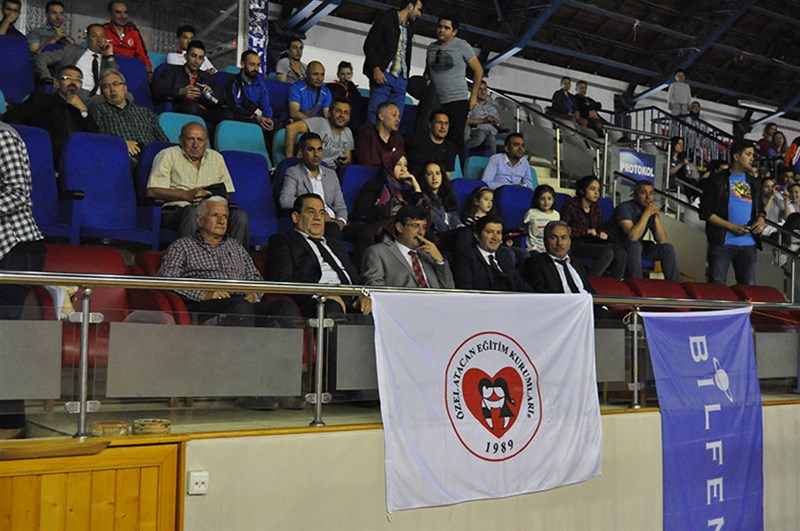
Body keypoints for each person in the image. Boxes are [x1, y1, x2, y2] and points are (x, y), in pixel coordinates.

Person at [157, 196, 297, 326]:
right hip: (204, 305)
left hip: (241, 302)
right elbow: (167, 278)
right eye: (215, 215)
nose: (221, 221)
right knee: (240, 307)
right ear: (199, 220)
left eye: (225, 216)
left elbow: (255, 278)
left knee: (285, 307)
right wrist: (203, 294)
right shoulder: (182, 246)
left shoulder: (236, 246)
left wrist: (254, 295)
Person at [0, 121, 46, 437]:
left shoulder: (3, 135)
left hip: (16, 247)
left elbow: (18, 192)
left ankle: (12, 424)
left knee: (5, 339)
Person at [146, 122, 249, 246]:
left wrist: (212, 195)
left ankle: (236, 257)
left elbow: (228, 192)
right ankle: (190, 256)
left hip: (211, 211)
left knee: (240, 216)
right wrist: (185, 195)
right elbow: (152, 191)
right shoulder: (168, 155)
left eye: (200, 140)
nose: (195, 145)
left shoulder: (216, 158)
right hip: (176, 211)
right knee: (192, 211)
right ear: (181, 140)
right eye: (191, 139)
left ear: (207, 142)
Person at [267, 193, 369, 316]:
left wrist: (363, 296)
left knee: (374, 308)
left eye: (321, 213)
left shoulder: (335, 244)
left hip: (350, 301)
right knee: (331, 306)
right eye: (311, 212)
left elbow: (354, 277)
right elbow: (283, 280)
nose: (317, 217)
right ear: (295, 217)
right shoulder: (283, 241)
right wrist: (323, 294)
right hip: (317, 300)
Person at [699, 139, 765, 285]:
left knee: (748, 290)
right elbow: (705, 212)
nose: (752, 158)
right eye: (748, 154)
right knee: (717, 288)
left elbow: (760, 209)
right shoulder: (716, 179)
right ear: (736, 157)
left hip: (749, 243)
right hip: (722, 242)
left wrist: (761, 219)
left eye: (753, 155)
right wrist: (731, 226)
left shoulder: (754, 182)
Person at [3, 65, 98, 165]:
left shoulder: (82, 111)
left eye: (78, 80)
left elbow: (95, 138)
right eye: (68, 78)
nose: (73, 82)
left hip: (77, 162)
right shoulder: (40, 100)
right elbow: (10, 119)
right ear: (56, 83)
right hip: (42, 158)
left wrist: (83, 110)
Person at [424, 15, 483, 158]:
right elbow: (428, 73)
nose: (441, 30)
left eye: (446, 28)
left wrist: (473, 96)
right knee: (434, 137)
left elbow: (478, 70)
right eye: (440, 27)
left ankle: (457, 169)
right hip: (437, 101)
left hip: (457, 100)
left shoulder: (461, 45)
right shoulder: (431, 48)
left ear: (454, 31)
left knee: (455, 138)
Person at [361, 205, 454, 288]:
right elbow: (375, 290)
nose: (421, 232)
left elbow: (449, 291)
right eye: (415, 226)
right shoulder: (377, 252)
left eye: (424, 227)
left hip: (434, 301)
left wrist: (440, 261)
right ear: (400, 227)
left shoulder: (429, 255)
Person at [362, 0, 423, 123]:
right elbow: (369, 45)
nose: (419, 14)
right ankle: (370, 135)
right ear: (410, 7)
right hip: (384, 75)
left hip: (401, 79)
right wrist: (376, 68)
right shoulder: (386, 18)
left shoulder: (410, 27)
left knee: (396, 119)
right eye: (419, 9)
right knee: (376, 115)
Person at [607, 180, 680, 281]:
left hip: (637, 248)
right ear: (634, 195)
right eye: (643, 193)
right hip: (618, 246)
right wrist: (646, 214)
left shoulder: (649, 210)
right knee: (635, 245)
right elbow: (632, 237)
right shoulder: (624, 207)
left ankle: (674, 285)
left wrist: (656, 217)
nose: (648, 197)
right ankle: (637, 282)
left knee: (667, 248)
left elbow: (662, 240)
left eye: (651, 193)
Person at [279, 133, 348, 238]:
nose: (316, 154)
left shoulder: (331, 174)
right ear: (301, 152)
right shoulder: (294, 172)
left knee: (364, 231)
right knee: (332, 229)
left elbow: (340, 206)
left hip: (334, 221)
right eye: (311, 150)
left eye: (319, 149)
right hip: (313, 223)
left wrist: (341, 221)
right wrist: (316, 210)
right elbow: (285, 200)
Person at [90, 69, 169, 159]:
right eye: (106, 87)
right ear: (103, 92)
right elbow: (95, 140)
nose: (112, 90)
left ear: (125, 88)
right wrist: (121, 144)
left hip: (151, 157)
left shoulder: (145, 112)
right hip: (121, 156)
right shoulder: (98, 111)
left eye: (116, 84)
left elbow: (163, 141)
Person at [560, 176, 626, 278]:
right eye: (592, 189)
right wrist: (586, 231)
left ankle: (615, 283)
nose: (596, 193)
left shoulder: (596, 207)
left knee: (620, 252)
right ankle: (592, 281)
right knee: (606, 252)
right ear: (582, 190)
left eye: (598, 190)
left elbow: (600, 227)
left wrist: (603, 233)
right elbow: (563, 230)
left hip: (594, 242)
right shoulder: (571, 205)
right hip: (576, 243)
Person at [33, 23, 118, 97]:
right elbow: (40, 58)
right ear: (87, 38)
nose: (99, 40)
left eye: (102, 36)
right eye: (94, 36)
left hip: (97, 98)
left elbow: (115, 80)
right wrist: (48, 79)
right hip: (73, 92)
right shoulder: (71, 50)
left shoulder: (106, 60)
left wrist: (110, 55)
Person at [453, 214, 530, 291]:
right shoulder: (465, 257)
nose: (495, 238)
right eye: (489, 232)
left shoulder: (505, 255)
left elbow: (521, 285)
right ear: (477, 236)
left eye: (498, 233)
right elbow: (465, 291)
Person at [354, 150, 422, 235]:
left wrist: (416, 185)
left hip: (402, 230)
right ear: (389, 166)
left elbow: (419, 212)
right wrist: (381, 208)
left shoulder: (403, 189)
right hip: (379, 230)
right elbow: (361, 213)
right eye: (398, 164)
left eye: (405, 165)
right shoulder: (376, 184)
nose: (403, 169)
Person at [153, 40, 222, 123]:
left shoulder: (207, 77)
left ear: (203, 61)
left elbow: (217, 101)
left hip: (203, 110)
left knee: (227, 114)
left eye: (200, 58)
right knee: (191, 106)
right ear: (186, 56)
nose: (196, 61)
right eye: (193, 56)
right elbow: (158, 90)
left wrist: (209, 95)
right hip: (180, 108)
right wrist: (180, 91)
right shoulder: (172, 71)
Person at [522, 221, 593, 294]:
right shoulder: (535, 264)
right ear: (545, 241)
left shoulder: (577, 264)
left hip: (585, 300)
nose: (559, 243)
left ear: (570, 242)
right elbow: (542, 294)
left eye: (564, 238)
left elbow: (589, 291)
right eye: (553, 238)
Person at [285, 98, 353, 171]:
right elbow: (291, 128)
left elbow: (348, 159)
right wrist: (290, 160)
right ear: (329, 113)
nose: (342, 115)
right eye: (338, 111)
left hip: (331, 172)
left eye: (346, 112)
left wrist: (343, 162)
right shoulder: (320, 123)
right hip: (310, 168)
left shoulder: (348, 132)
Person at [221, 49, 274, 132]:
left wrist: (268, 118)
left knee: (273, 127)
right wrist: (255, 118)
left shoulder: (260, 82)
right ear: (242, 64)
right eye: (252, 64)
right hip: (241, 116)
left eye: (258, 65)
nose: (256, 69)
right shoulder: (233, 82)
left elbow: (265, 104)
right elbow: (235, 107)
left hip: (256, 116)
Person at [405, 109, 458, 178]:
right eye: (439, 122)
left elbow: (446, 176)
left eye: (446, 123)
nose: (443, 126)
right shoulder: (415, 141)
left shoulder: (451, 148)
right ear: (430, 125)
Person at [420, 161, 461, 247]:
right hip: (438, 237)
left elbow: (454, 216)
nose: (434, 177)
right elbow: (438, 225)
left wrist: (460, 227)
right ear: (424, 177)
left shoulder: (447, 195)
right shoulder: (423, 198)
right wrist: (458, 232)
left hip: (453, 234)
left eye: (437, 173)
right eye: (429, 174)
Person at [103, 1, 152, 74]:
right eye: (118, 12)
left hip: (130, 69)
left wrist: (149, 73)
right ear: (110, 14)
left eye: (125, 12)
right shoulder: (103, 30)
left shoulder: (134, 32)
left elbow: (142, 55)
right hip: (109, 68)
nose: (123, 16)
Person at [354, 101, 404, 165]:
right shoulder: (365, 134)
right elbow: (365, 162)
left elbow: (400, 164)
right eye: (394, 115)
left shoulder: (398, 139)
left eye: (399, 116)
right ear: (381, 116)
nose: (398, 120)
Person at [466, 80, 501, 153]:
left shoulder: (492, 108)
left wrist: (496, 122)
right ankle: (465, 152)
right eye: (480, 89)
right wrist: (484, 120)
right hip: (477, 130)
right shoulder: (471, 105)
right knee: (481, 135)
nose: (483, 92)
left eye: (484, 89)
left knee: (492, 139)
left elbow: (499, 123)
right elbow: (466, 120)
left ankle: (493, 159)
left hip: (491, 132)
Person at [523, 184, 560, 254]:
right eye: (542, 199)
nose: (546, 202)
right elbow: (522, 226)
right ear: (537, 200)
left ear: (553, 200)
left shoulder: (556, 215)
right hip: (534, 248)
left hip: (550, 248)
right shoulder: (531, 212)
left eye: (549, 198)